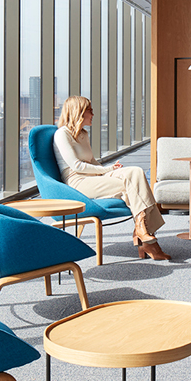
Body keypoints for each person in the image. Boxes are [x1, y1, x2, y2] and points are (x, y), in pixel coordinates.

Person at [53, 95, 170, 260]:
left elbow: (92, 161)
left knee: (135, 172)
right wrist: (106, 170)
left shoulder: (83, 134)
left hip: (92, 177)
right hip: (78, 182)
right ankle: (146, 237)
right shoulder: (62, 134)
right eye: (90, 111)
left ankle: (142, 229)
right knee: (132, 187)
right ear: (78, 112)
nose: (93, 114)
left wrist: (109, 169)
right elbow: (77, 166)